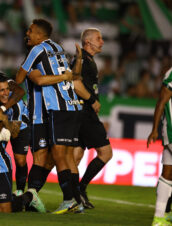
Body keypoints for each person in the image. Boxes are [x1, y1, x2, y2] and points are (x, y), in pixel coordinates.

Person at [16, 18, 99, 214]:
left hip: (50, 111)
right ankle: (45, 197)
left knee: (50, 157)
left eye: (30, 30)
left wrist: (21, 76)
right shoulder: (59, 49)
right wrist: (77, 61)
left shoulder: (37, 51)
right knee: (60, 157)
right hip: (70, 108)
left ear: (39, 34)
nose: (27, 33)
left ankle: (65, 199)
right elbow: (73, 76)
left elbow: (21, 78)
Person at [0, 75, 38, 213]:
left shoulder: (15, 106)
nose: (6, 93)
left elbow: (14, 133)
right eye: (2, 90)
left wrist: (3, 118)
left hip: (19, 127)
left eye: (7, 89)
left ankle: (25, 194)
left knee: (20, 160)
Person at [71, 28, 112, 209]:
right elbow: (75, 83)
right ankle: (80, 188)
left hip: (81, 114)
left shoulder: (88, 60)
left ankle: (72, 196)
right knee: (106, 153)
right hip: (84, 113)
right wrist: (92, 100)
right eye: (99, 38)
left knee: (76, 156)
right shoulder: (82, 61)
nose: (102, 41)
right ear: (88, 42)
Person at [147, 67, 172, 226]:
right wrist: (154, 129)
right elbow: (161, 101)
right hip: (171, 128)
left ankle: (160, 217)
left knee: (168, 173)